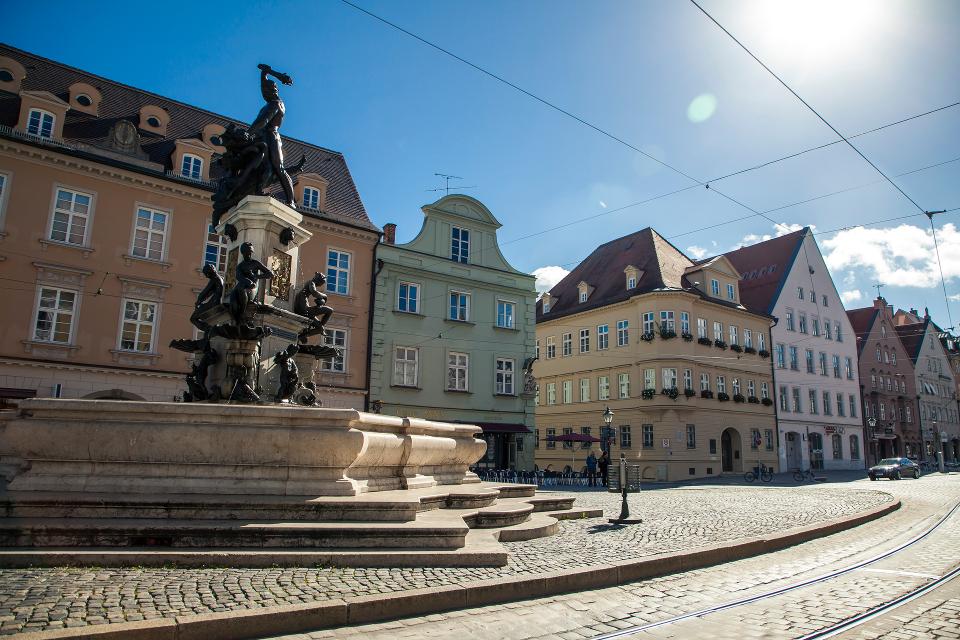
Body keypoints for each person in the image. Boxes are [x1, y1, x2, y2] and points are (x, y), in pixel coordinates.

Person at [249, 64, 295, 206]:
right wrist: (266, 73)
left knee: (278, 166)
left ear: (272, 91)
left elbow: (264, 121)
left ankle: (291, 201)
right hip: (261, 136)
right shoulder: (268, 103)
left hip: (272, 136)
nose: (263, 92)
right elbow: (264, 79)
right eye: (263, 90)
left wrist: (248, 133)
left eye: (265, 90)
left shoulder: (276, 104)